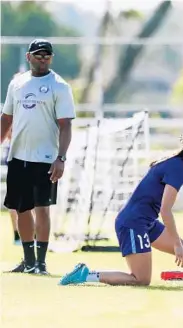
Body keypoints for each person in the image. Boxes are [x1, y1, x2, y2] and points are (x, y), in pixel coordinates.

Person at [59, 128, 183, 287]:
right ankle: (85, 275)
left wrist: (179, 244)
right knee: (140, 279)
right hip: (133, 223)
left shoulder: (175, 164)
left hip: (146, 222)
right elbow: (166, 210)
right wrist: (176, 243)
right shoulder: (177, 169)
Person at [0, 39, 75, 274]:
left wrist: (60, 157)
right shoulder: (17, 84)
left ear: (51, 59)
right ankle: (28, 260)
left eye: (46, 56)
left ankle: (41, 262)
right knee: (21, 209)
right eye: (38, 55)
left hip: (45, 158)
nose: (42, 59)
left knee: (42, 208)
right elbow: (6, 119)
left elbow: (65, 126)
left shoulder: (60, 87)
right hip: (19, 156)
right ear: (28, 57)